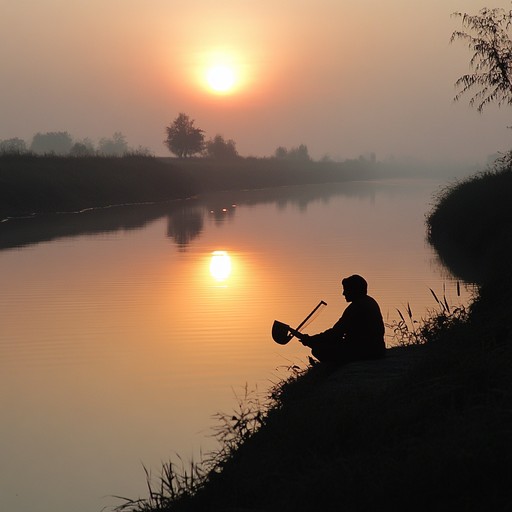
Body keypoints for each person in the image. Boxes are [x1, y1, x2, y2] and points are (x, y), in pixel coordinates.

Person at [299, 275, 385, 365]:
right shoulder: (370, 301)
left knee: (318, 350)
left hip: (365, 351)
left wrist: (312, 340)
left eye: (346, 290)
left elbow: (336, 333)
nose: (343, 293)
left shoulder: (355, 307)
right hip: (377, 349)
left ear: (354, 290)